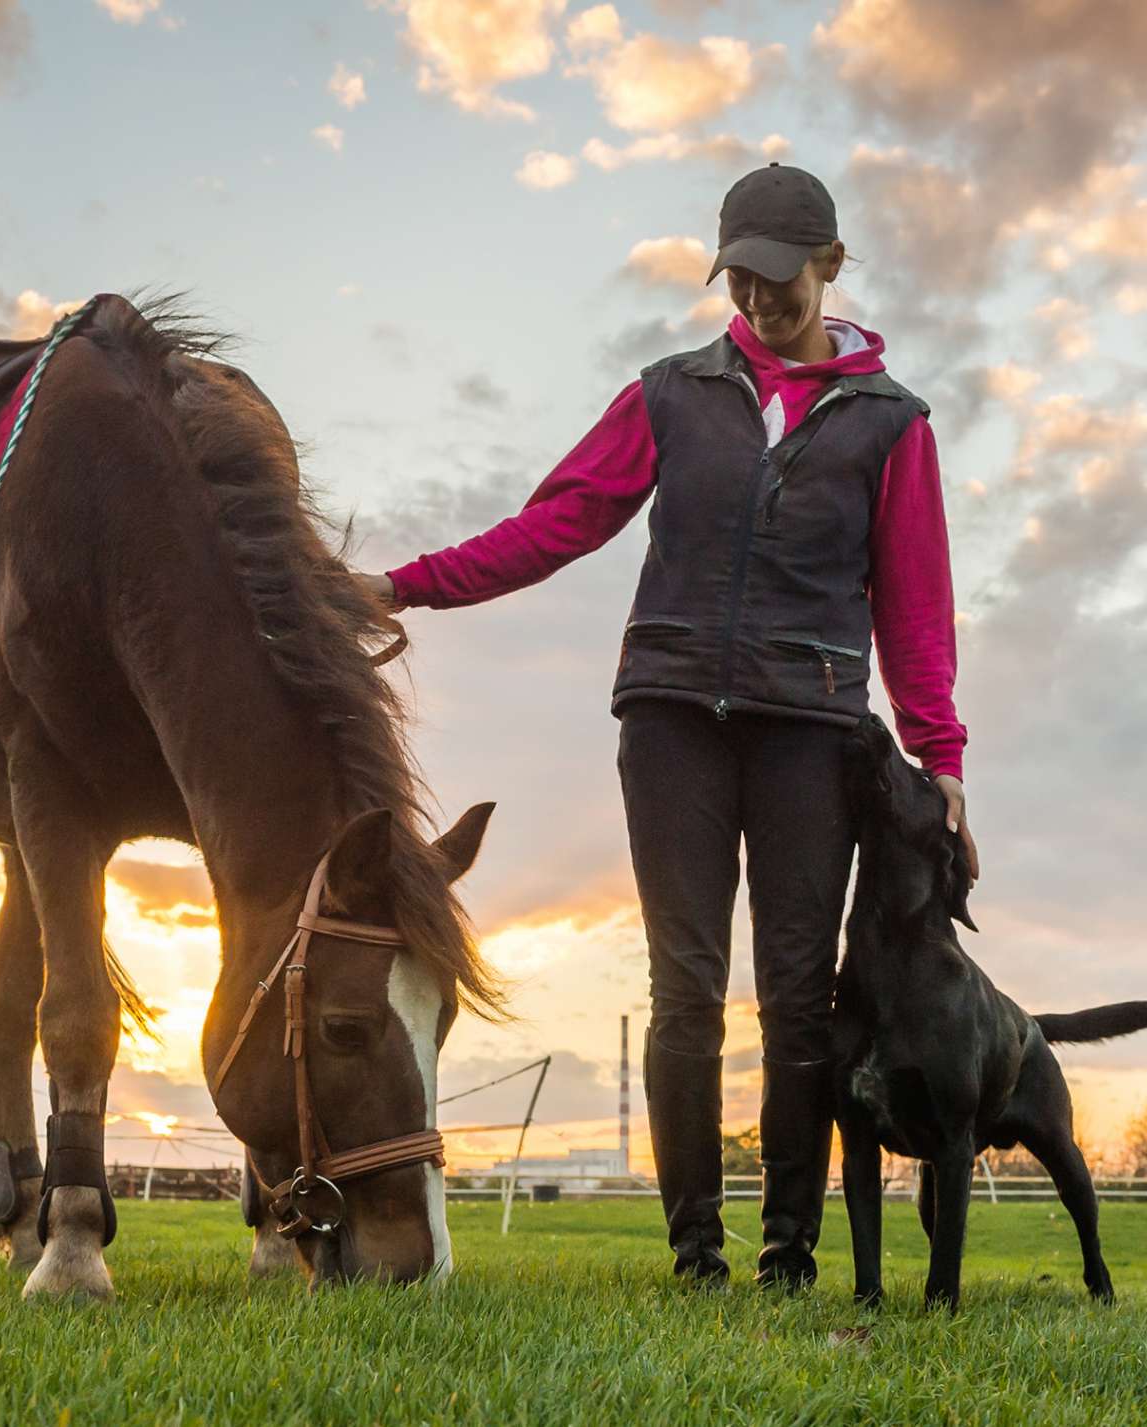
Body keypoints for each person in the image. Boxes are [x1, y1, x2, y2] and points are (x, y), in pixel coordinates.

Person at [374, 163, 971, 1289]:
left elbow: (915, 608)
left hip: (811, 730)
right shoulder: (669, 394)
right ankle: (696, 1251)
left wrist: (939, 758)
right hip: (672, 722)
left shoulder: (893, 424)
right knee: (684, 989)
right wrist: (405, 587)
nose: (758, 299)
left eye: (780, 278)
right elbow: (557, 522)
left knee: (798, 996)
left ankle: (788, 1251)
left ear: (831, 265)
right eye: (738, 277)